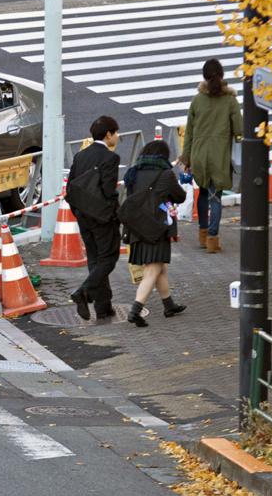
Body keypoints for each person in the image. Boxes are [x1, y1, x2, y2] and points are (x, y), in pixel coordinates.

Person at [122, 140, 188, 327]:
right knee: (152, 269)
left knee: (160, 268)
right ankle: (135, 310)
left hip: (136, 227)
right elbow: (180, 197)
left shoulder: (133, 172)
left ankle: (169, 305)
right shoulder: (165, 174)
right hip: (156, 228)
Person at [180, 59, 242, 254]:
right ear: (222, 76)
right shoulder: (230, 100)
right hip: (219, 155)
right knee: (216, 197)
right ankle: (212, 240)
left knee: (204, 193)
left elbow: (189, 131)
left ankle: (202, 233)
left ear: (204, 77)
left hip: (199, 154)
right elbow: (239, 129)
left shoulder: (197, 100)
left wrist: (186, 158)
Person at [67, 115, 123, 321]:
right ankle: (83, 292)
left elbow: (70, 187)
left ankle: (103, 306)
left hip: (83, 216)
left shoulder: (81, 156)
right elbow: (109, 191)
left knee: (94, 259)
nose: (117, 137)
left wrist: (78, 211)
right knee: (109, 258)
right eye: (116, 133)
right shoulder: (110, 158)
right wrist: (112, 213)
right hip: (103, 218)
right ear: (108, 135)